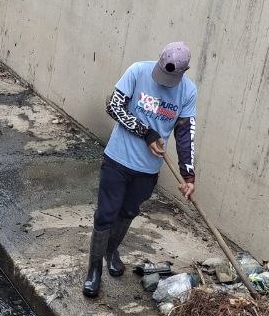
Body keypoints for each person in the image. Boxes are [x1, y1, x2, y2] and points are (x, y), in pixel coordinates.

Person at [83, 42, 198, 298]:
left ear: (185, 71)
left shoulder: (188, 91)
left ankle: (111, 251)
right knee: (105, 215)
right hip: (117, 160)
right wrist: (146, 133)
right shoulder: (137, 71)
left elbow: (184, 134)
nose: (164, 81)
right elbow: (114, 106)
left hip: (147, 170)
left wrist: (188, 175)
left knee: (128, 212)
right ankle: (94, 270)